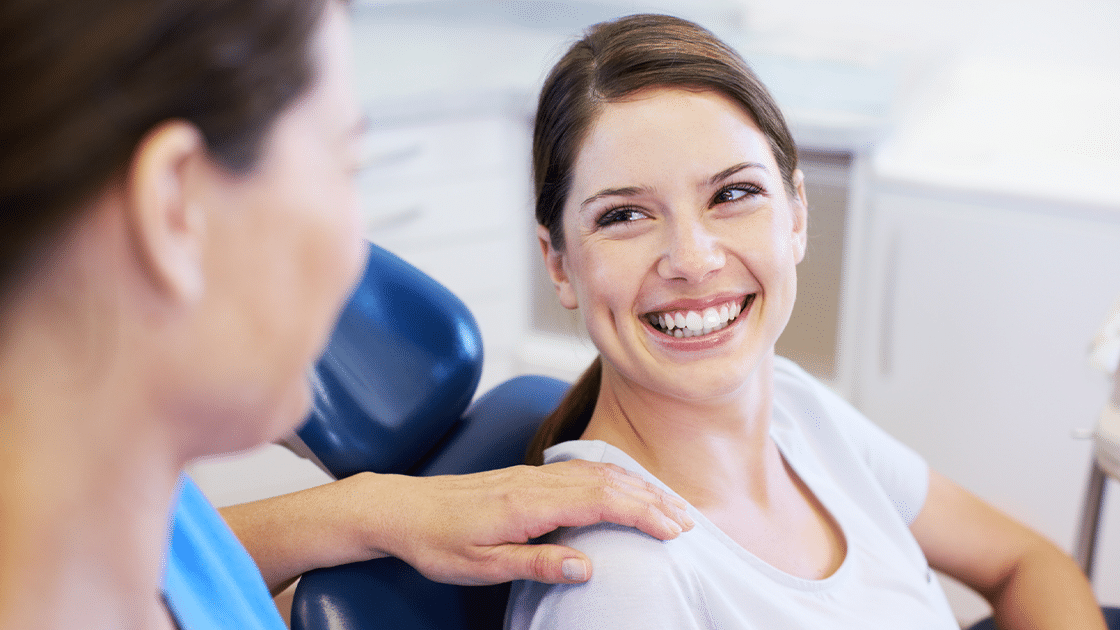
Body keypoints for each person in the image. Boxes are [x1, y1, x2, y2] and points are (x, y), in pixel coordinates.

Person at [0, 1, 695, 628]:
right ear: (176, 209)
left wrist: (371, 512)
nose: (358, 262)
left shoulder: (129, 504)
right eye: (344, 166)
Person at [506, 13, 1106, 630]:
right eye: (626, 214)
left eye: (733, 194)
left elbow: (1025, 561)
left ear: (795, 217)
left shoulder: (795, 409)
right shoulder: (621, 585)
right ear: (558, 263)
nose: (692, 259)